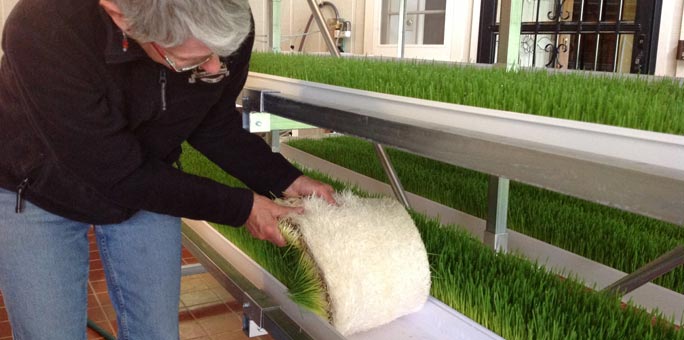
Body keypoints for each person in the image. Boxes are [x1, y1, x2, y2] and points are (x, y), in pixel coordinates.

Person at [0, 0, 336, 339]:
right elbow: (117, 173)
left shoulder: (225, 17)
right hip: (36, 186)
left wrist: (286, 179)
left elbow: (212, 120)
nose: (213, 68)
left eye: (220, 56)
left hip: (147, 178)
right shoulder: (44, 26)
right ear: (122, 18)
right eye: (194, 61)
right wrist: (243, 207)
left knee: (157, 332)